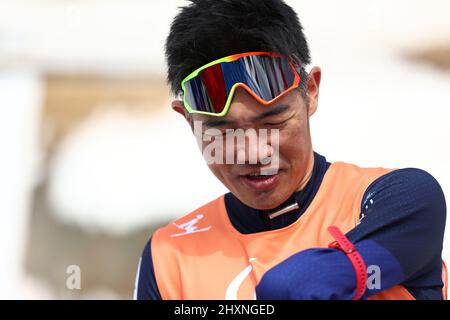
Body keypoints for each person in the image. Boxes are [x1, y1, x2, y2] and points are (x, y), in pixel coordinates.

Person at [134, 0, 447, 300]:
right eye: (224, 131)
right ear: (189, 122)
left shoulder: (399, 201)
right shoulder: (168, 259)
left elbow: (302, 284)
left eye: (273, 121)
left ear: (311, 92)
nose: (254, 153)